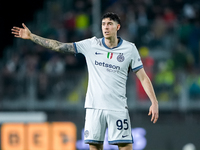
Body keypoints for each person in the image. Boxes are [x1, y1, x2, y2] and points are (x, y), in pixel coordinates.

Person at [11, 12, 159, 150]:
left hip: (118, 108)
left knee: (126, 147)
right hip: (94, 107)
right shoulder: (91, 44)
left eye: (109, 24)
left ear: (117, 27)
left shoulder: (129, 49)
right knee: (94, 147)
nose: (105, 27)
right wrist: (32, 37)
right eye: (103, 24)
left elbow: (143, 77)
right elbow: (60, 46)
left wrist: (154, 102)